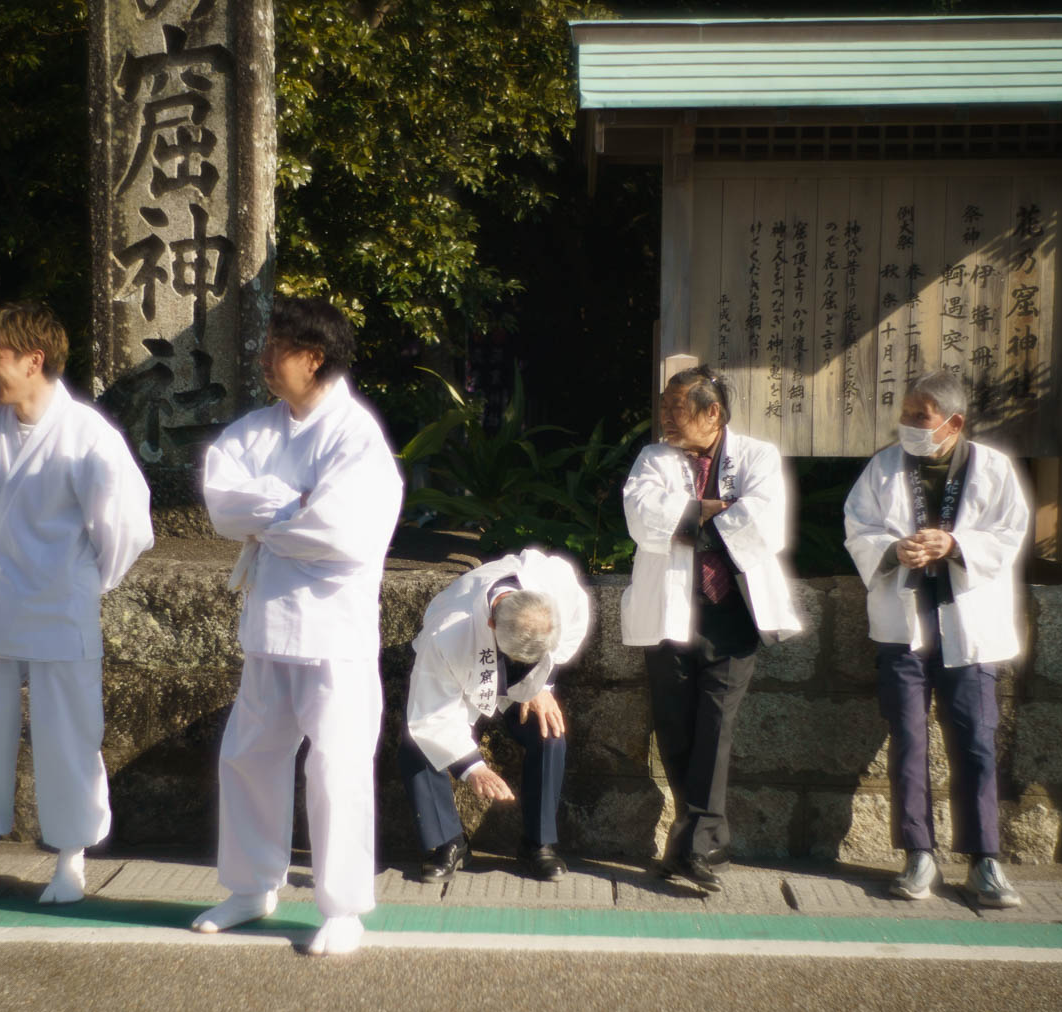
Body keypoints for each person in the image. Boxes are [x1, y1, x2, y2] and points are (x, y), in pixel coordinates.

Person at [193, 297, 402, 956]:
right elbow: (221, 503)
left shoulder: (355, 434)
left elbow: (343, 530)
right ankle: (252, 885)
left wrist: (270, 519)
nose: (263, 359)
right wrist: (293, 507)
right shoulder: (254, 430)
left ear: (313, 356)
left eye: (276, 347)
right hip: (270, 622)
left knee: (337, 767)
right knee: (249, 756)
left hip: (334, 628)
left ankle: (342, 908)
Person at [0, 302, 153, 905]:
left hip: (61, 604)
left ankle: (71, 859)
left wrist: (85, 581)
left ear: (34, 360)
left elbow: (127, 528)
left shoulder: (88, 436)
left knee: (69, 737)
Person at [842, 371, 1029, 908]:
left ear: (954, 422)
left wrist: (953, 543)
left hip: (968, 627)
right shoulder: (883, 466)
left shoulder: (992, 469)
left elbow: (1010, 534)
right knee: (908, 738)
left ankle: (984, 861)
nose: (908, 425)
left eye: (919, 416)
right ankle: (918, 854)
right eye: (904, 413)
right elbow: (857, 525)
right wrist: (892, 548)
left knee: (975, 742)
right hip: (904, 628)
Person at [621, 368, 802, 892]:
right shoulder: (653, 458)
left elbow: (764, 523)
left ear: (712, 414)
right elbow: (639, 516)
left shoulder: (757, 456)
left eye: (678, 408)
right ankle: (692, 843)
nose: (666, 417)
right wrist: (711, 511)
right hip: (670, 613)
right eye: (665, 406)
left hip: (731, 615)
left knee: (716, 732)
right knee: (676, 731)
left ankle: (697, 848)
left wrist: (692, 518)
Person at [400, 547, 593, 883]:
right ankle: (449, 843)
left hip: (524, 686)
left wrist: (543, 686)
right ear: (491, 622)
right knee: (417, 746)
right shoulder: (447, 631)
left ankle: (539, 844)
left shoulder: (555, 584)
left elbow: (574, 626)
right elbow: (431, 714)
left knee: (549, 732)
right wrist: (471, 767)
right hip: (463, 684)